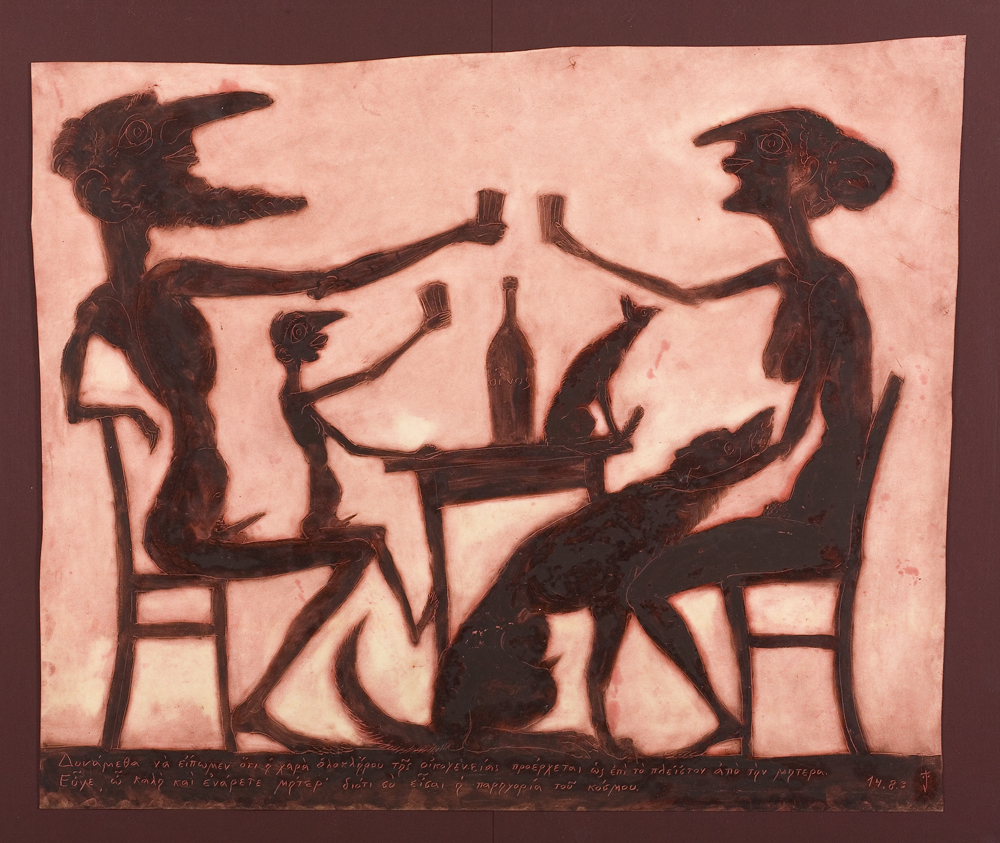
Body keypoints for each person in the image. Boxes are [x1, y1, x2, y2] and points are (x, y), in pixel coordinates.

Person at [53, 89, 505, 749]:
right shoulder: (170, 281)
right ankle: (259, 704)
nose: (187, 196)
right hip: (180, 532)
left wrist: (123, 413)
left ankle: (271, 701)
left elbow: (72, 398)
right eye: (175, 184)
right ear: (142, 203)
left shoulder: (103, 304)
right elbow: (332, 279)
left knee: (357, 542)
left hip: (184, 520)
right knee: (358, 549)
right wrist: (455, 234)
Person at [542, 109, 893, 754]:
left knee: (641, 584)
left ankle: (723, 719)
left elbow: (795, 432)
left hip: (816, 524)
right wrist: (578, 250)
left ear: (793, 182)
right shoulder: (797, 275)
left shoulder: (827, 288)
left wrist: (709, 486)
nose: (736, 170)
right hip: (804, 507)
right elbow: (687, 293)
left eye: (754, 162)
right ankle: (722, 717)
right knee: (642, 573)